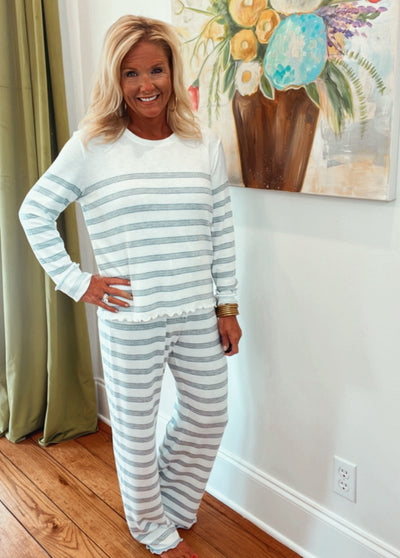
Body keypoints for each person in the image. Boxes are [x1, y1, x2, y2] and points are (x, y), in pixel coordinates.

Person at [19, 14, 241, 558]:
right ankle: (149, 525)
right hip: (131, 318)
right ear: (115, 79)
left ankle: (174, 503)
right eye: (131, 73)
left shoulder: (203, 144)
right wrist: (78, 282)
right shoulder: (93, 146)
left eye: (156, 70)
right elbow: (34, 211)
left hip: (197, 311)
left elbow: (221, 227)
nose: (146, 85)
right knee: (136, 433)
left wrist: (227, 306)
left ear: (172, 71)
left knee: (209, 413)